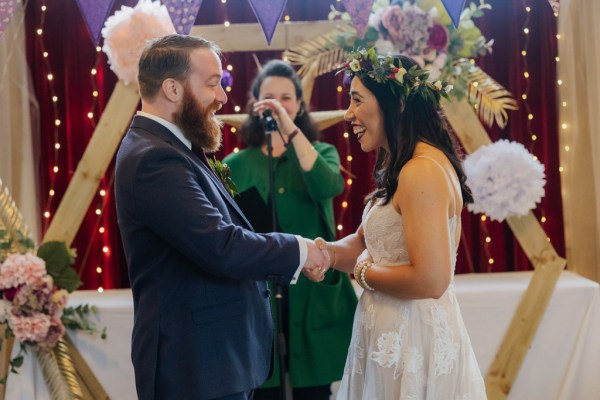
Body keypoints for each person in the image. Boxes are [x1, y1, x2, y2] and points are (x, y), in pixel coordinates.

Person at [114, 34, 329, 400]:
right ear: (173, 89)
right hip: (195, 368)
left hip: (212, 362)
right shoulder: (154, 159)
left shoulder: (174, 148)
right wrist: (301, 250)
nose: (223, 97)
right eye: (213, 83)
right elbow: (219, 244)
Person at [316, 48, 487, 399]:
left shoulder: (421, 170)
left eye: (356, 100)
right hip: (389, 339)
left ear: (393, 105)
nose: (348, 114)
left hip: (411, 342)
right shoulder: (405, 165)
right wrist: (321, 254)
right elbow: (365, 244)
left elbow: (431, 280)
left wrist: (362, 273)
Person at [223, 60, 357, 400]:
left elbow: (329, 185)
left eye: (287, 97)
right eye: (269, 97)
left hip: (312, 294)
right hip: (259, 298)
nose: (278, 105)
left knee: (313, 391)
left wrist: (290, 131)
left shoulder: (320, 152)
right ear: (255, 105)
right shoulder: (235, 165)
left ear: (299, 105)